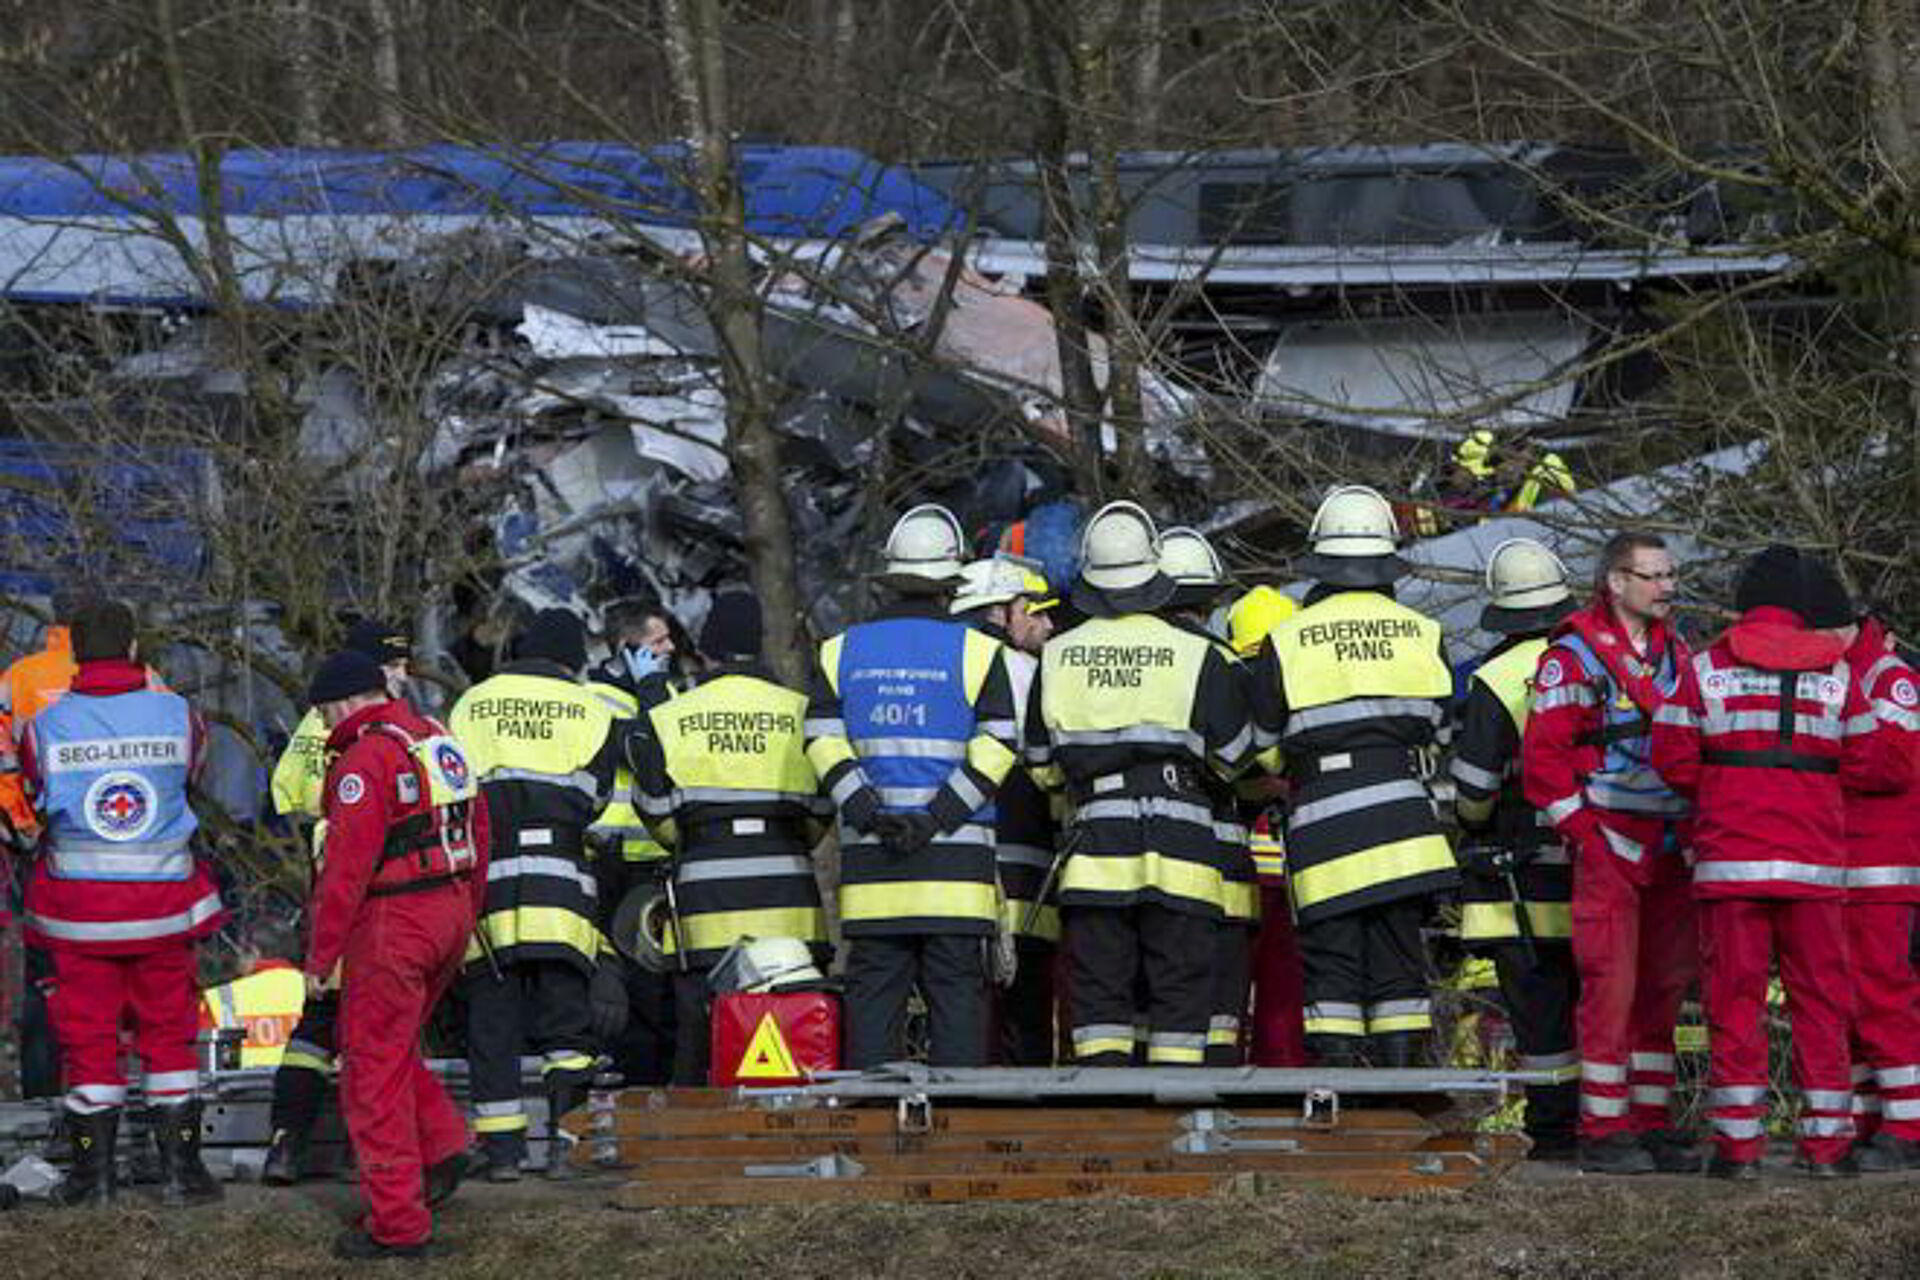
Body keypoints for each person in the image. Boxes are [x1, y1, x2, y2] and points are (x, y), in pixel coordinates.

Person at [1651, 546, 1907, 1178]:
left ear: (1745, 603)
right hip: (1814, 868)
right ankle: (1828, 1147)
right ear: (1803, 610)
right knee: (1821, 1004)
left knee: (1733, 1006)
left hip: (1729, 865)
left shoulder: (1705, 667)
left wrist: (1726, 792)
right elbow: (1874, 762)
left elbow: (1672, 758)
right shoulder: (1841, 676)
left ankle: (1739, 1150)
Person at [1028, 502, 1253, 1067]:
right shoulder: (1200, 655)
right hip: (1183, 841)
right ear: (1154, 569)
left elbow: (1040, 765)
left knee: (1100, 1002)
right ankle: (1178, 1129)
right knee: (1180, 999)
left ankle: (1107, 1117)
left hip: (1095, 845)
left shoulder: (1056, 655)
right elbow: (1234, 759)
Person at [19, 598, 224, 1208]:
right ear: (135, 649)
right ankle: (182, 1175)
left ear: (74, 654)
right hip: (163, 907)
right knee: (170, 1038)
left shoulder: (46, 726)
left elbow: (34, 794)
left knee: (87, 1042)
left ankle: (94, 1180)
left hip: (79, 916)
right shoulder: (177, 713)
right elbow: (193, 779)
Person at [806, 504, 1019, 1068]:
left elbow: (822, 742)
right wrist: (936, 817)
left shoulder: (838, 651)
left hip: (874, 865)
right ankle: (960, 1136)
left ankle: (872, 1139)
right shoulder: (982, 652)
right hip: (956, 870)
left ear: (889, 580)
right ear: (951, 581)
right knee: (956, 1004)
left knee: (874, 1001)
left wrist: (871, 813)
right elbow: (999, 747)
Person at [1249, 486, 1455, 1068]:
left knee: (1332, 965)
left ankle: (1340, 1096)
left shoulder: (1286, 639)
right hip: (1407, 822)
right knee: (1399, 962)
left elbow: (1263, 748)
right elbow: (1441, 729)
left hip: (1325, 823)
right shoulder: (1423, 631)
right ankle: (1401, 1088)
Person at [1521, 531, 1697, 1174]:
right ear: (1615, 583)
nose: (1667, 587)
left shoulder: (1679, 654)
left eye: (1670, 574)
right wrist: (1588, 837)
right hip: (1611, 842)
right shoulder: (1571, 658)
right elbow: (1542, 764)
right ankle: (1603, 1127)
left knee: (1664, 990)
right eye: (1652, 576)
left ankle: (1651, 1121)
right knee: (1609, 990)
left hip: (1673, 843)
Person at [303, 649, 487, 1259]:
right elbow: (478, 833)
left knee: (369, 1072)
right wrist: (467, 918)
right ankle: (440, 1144)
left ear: (344, 702)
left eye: (326, 714)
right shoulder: (438, 739)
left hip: (394, 921)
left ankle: (398, 1226)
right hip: (450, 910)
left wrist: (320, 958)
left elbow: (345, 871)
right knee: (394, 1045)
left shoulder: (365, 758)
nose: (327, 728)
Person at [448, 609, 629, 1180]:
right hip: (561, 885)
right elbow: (597, 797)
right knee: (566, 1025)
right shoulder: (591, 709)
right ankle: (565, 1146)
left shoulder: (472, 703)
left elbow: (450, 785)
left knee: (491, 1024)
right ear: (573, 658)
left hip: (490, 881)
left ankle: (502, 1154)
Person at [626, 589, 830, 1084]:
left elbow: (655, 811)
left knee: (704, 1054)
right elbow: (822, 811)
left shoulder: (676, 715)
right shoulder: (800, 710)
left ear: (708, 650)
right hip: (791, 913)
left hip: (705, 916)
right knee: (795, 1054)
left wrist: (693, 840)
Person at [263, 616, 412, 1185]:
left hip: (329, 886)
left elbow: (287, 795)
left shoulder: (314, 725)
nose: (405, 674)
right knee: (373, 1027)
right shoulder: (381, 731)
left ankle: (286, 1144)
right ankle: (364, 1151)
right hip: (371, 892)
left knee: (318, 1024)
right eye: (394, 665)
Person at [1449, 539, 1581, 1160]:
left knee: (1540, 1010)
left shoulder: (1494, 679)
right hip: (1598, 866)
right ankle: (1613, 1123)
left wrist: (1475, 819)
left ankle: (1555, 1131)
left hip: (1521, 881)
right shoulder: (1598, 661)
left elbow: (1473, 791)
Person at [949, 557, 1060, 1065]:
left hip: (947, 871)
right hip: (1025, 868)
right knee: (1026, 1010)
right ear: (999, 612)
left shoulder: (942, 667)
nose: (1045, 624)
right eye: (1030, 610)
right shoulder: (1028, 672)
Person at [1158, 527, 1258, 1066]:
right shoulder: (1224, 663)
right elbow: (1245, 761)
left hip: (1142, 864)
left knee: (1153, 1004)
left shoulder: (1142, 661)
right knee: (1218, 1011)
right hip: (1221, 856)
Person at [584, 598, 680, 1088]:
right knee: (608, 994)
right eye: (658, 641)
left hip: (654, 866)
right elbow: (650, 752)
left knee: (655, 994)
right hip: (605, 863)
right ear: (627, 648)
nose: (670, 648)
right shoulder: (593, 699)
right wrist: (650, 695)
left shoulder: (661, 691)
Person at [1839, 607, 1920, 1169]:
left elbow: (1891, 763)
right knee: (1847, 1002)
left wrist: (1818, 755)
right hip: (1844, 866)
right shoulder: (1846, 675)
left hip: (1882, 868)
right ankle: (1870, 1116)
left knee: (1883, 996)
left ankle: (1907, 1124)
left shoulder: (1888, 677)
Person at [1227, 586, 1306, 1068]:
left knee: (1225, 999)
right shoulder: (1301, 683)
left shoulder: (1225, 684)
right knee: (1283, 1004)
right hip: (1294, 867)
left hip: (1235, 868)